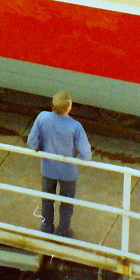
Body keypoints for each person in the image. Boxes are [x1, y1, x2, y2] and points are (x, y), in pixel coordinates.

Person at [26, 91, 91, 238]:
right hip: (68, 172)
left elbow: (32, 141)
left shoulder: (42, 117)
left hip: (48, 168)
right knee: (66, 202)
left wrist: (40, 147)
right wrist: (80, 157)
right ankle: (63, 230)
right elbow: (86, 153)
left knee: (47, 200)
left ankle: (46, 226)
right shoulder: (75, 126)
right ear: (69, 108)